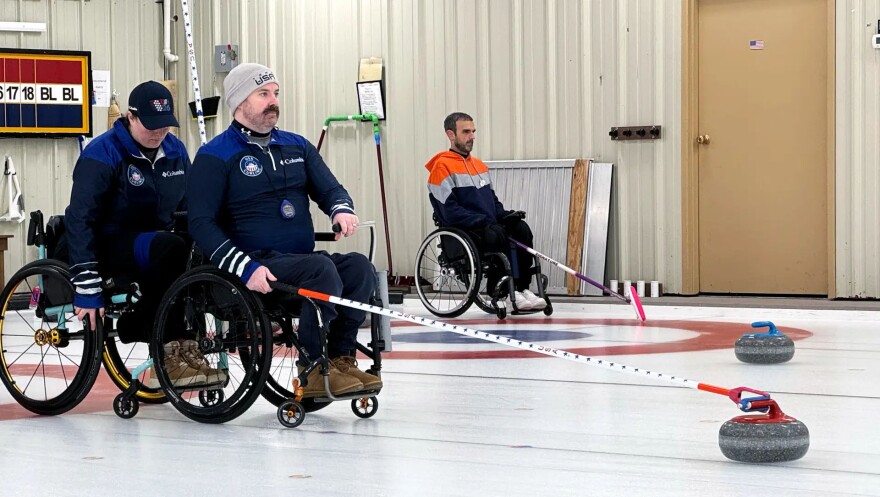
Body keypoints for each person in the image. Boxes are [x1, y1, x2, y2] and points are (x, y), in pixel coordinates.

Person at [187, 63, 382, 398]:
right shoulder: (215, 155)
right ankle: (313, 366)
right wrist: (244, 267)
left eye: (275, 93)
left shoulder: (297, 146)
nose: (273, 100)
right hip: (253, 265)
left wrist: (340, 208)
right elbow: (200, 224)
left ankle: (340, 358)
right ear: (239, 102)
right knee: (320, 269)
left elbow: (331, 189)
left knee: (359, 269)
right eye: (263, 94)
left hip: (296, 261)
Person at [65, 80, 223, 387]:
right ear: (130, 117)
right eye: (151, 125)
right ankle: (159, 340)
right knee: (170, 248)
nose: (158, 132)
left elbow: (190, 207)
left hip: (157, 237)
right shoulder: (102, 153)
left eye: (165, 125)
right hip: (110, 240)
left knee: (196, 246)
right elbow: (80, 219)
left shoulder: (175, 150)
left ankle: (188, 345)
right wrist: (85, 284)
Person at [425, 112, 547, 311]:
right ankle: (502, 291)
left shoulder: (479, 165)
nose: (472, 136)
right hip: (465, 228)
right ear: (451, 135)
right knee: (495, 233)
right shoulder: (441, 167)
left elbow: (493, 202)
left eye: (473, 131)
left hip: (487, 224)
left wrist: (506, 215)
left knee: (520, 228)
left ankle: (523, 288)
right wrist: (481, 220)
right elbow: (449, 212)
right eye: (466, 132)